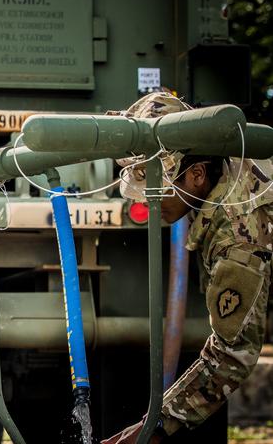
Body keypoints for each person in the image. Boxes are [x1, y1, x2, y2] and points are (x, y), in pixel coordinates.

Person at [102, 92, 273, 443]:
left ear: (196, 174)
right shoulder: (226, 166)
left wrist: (156, 428)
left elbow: (233, 354)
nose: (148, 204)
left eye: (157, 190)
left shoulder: (238, 233)